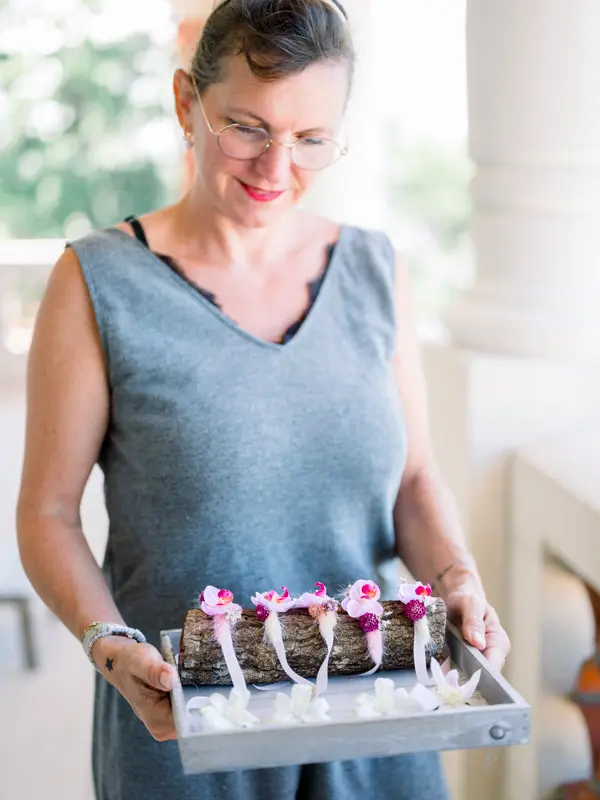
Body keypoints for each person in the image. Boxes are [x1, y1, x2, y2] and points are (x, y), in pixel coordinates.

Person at [17, 0, 510, 798]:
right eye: (246, 126)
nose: (276, 168)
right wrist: (108, 641)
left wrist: (457, 578)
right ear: (187, 104)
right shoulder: (97, 282)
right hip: (185, 731)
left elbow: (414, 480)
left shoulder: (374, 269)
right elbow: (47, 514)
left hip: (377, 719)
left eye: (310, 138)